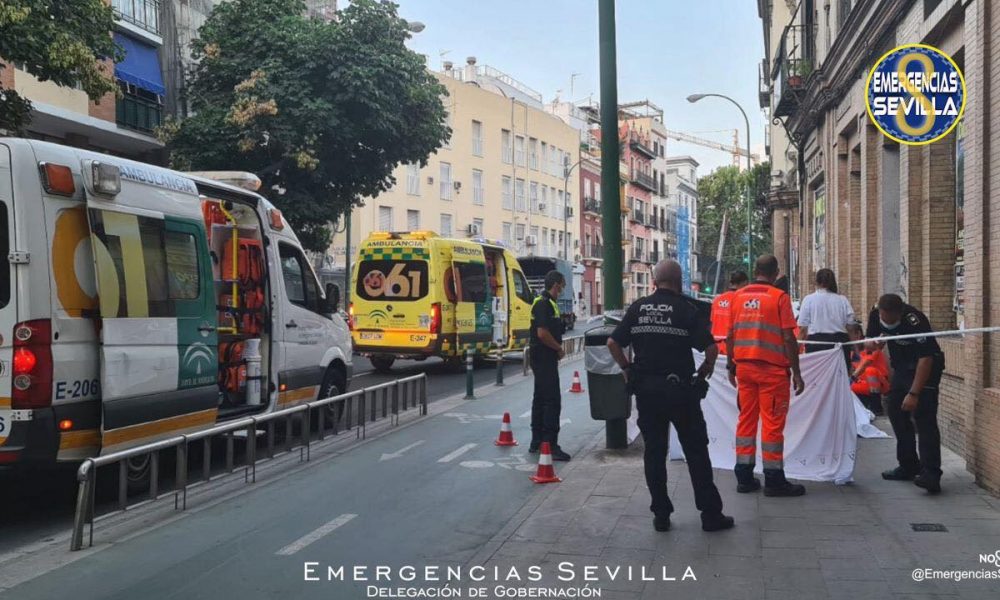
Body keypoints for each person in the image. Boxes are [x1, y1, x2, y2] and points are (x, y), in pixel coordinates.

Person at [607, 260, 734, 533]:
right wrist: (705, 372)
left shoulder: (638, 308)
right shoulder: (686, 310)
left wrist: (627, 370)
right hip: (681, 393)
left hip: (647, 392)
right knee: (696, 452)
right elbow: (711, 349)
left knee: (654, 453)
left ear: (654, 281)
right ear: (678, 282)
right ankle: (710, 515)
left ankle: (661, 515)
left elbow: (612, 342)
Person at [727, 255, 806, 497]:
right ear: (775, 272)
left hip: (744, 370)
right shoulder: (778, 298)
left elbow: (731, 335)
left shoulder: (738, 297)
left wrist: (731, 367)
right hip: (771, 372)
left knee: (746, 421)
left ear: (755, 270)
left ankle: (744, 476)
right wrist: (796, 372)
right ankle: (773, 480)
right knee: (772, 426)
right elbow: (788, 338)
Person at [866, 294, 945, 493]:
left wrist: (914, 393)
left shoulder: (915, 320)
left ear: (900, 313)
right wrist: (874, 343)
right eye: (885, 319)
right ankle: (909, 465)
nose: (887, 322)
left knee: (924, 418)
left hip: (925, 368)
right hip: (901, 367)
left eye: (891, 320)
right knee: (895, 412)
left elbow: (925, 359)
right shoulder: (876, 314)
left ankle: (931, 474)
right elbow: (868, 342)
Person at [529, 270, 570, 461]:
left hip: (542, 357)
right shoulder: (544, 304)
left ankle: (537, 442)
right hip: (544, 357)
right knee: (552, 401)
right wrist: (559, 349)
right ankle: (550, 444)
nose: (563, 289)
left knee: (540, 398)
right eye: (562, 285)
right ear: (556, 285)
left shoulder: (546, 303)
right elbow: (542, 333)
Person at [797, 269, 855, 370]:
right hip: (839, 344)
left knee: (817, 379)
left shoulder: (809, 300)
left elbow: (803, 330)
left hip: (816, 346)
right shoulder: (842, 300)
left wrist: (796, 350)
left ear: (816, 282)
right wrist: (856, 349)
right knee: (839, 377)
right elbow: (850, 328)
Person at [848, 322, 888, 416]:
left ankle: (876, 408)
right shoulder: (850, 352)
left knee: (870, 371)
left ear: (858, 334)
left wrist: (851, 379)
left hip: (879, 384)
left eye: (848, 334)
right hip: (859, 383)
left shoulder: (871, 346)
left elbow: (866, 363)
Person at [710, 271, 749, 354]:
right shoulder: (741, 300)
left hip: (716, 349)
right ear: (744, 283)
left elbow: (712, 322)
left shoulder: (717, 300)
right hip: (732, 350)